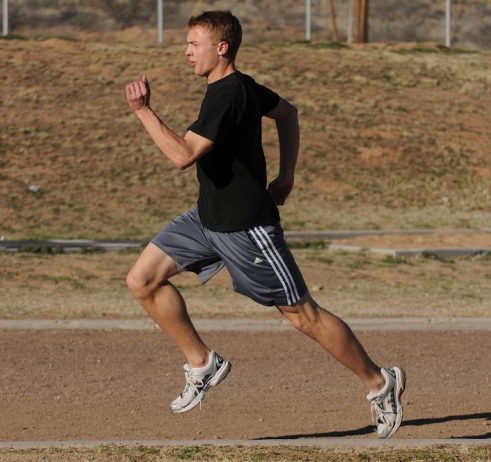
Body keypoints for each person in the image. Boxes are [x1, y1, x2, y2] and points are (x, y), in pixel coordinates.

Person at [124, 10, 405, 439]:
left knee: (302, 315)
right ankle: (202, 363)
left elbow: (182, 156)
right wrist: (287, 174)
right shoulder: (240, 87)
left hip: (246, 227)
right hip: (207, 219)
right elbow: (289, 114)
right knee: (142, 280)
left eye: (193, 44)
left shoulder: (230, 94)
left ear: (221, 48)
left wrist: (143, 110)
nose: (186, 52)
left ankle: (381, 383)